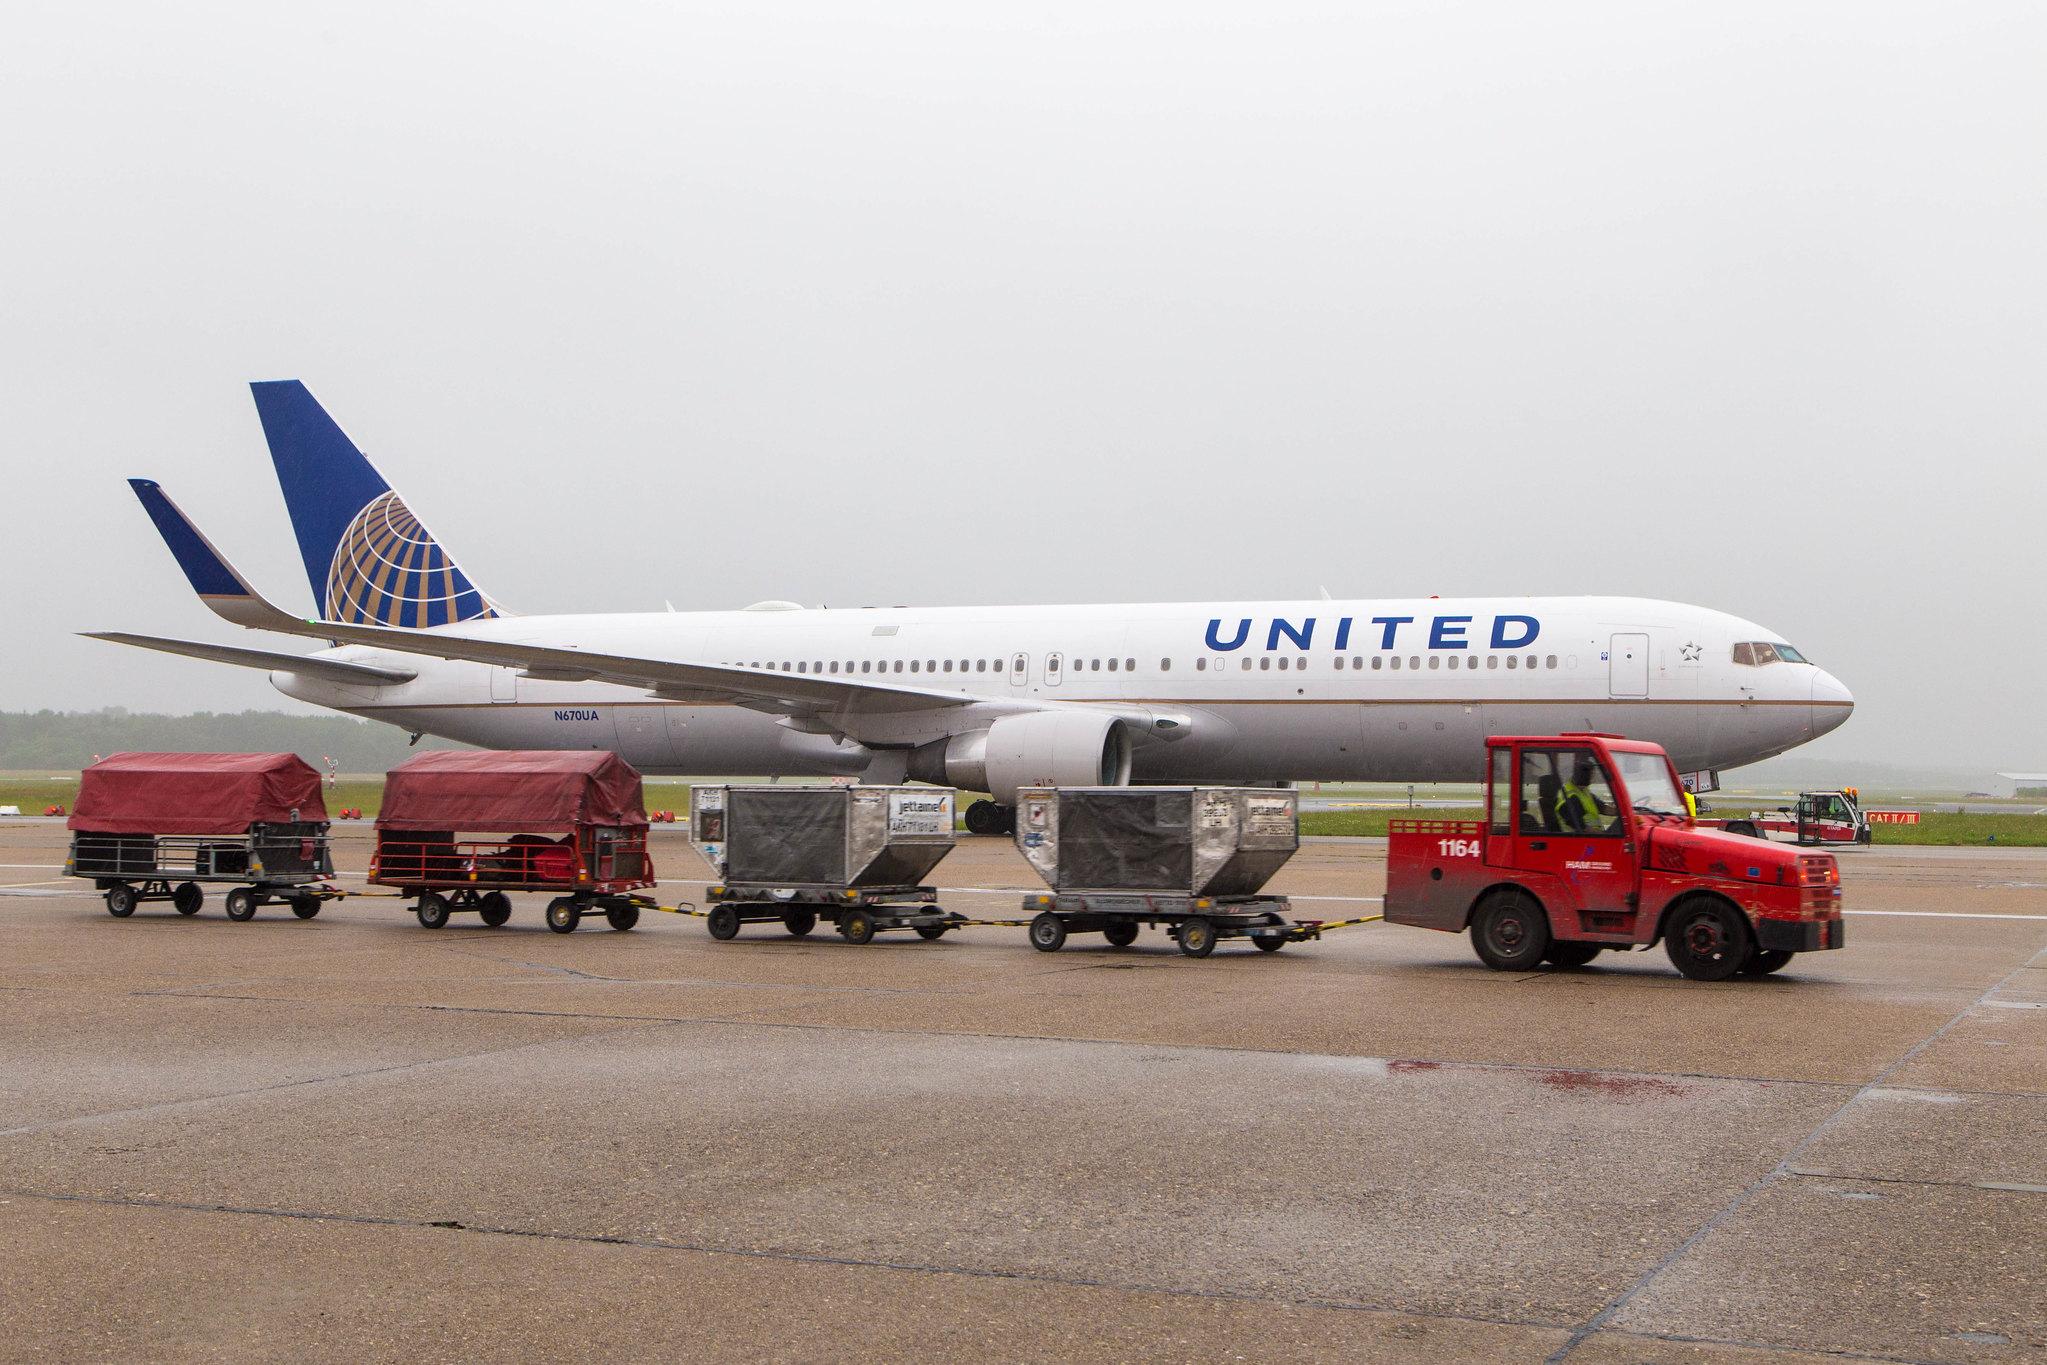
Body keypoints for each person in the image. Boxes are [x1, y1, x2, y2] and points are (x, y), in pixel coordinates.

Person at [1555, 757, 1613, 833]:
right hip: (1578, 841)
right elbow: (1582, 828)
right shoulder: (1570, 797)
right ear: (1585, 775)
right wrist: (1604, 835)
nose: (1593, 777)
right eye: (1592, 774)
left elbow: (1603, 808)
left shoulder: (1584, 791)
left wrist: (1621, 810)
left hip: (1592, 839)